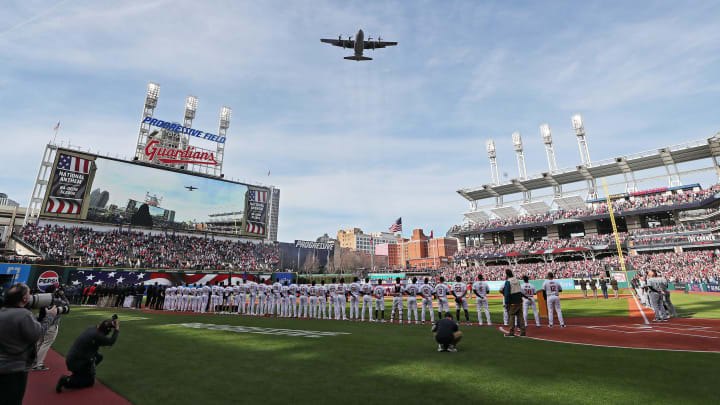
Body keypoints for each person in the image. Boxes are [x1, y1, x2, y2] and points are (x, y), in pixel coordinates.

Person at [0, 283, 58, 405]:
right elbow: (37, 334)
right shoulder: (23, 315)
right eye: (29, 293)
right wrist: (50, 316)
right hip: (15, 370)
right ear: (25, 298)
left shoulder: (3, 311)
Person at [56, 317, 119, 392]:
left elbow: (102, 324)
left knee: (99, 357)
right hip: (76, 362)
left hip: (74, 357)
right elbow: (111, 341)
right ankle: (67, 380)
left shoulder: (92, 328)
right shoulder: (98, 336)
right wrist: (116, 329)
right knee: (90, 381)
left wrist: (110, 322)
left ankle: (83, 373)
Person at [32, 285, 70, 371]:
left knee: (39, 343)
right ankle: (38, 364)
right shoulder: (55, 300)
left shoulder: (42, 299)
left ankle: (33, 361)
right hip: (51, 324)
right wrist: (62, 294)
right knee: (45, 344)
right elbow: (67, 306)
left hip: (42, 323)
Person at [503, 270, 525, 337]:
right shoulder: (517, 280)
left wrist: (506, 303)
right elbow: (520, 290)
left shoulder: (508, 282)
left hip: (512, 301)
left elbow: (506, 293)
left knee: (511, 316)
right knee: (520, 317)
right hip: (519, 300)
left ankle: (511, 332)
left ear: (507, 275)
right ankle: (523, 331)